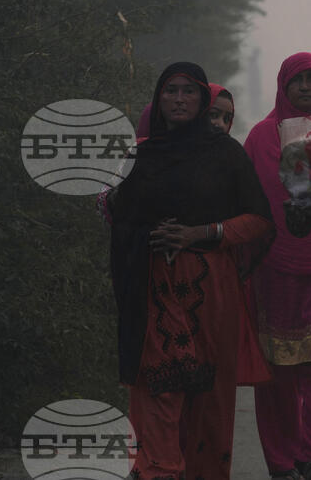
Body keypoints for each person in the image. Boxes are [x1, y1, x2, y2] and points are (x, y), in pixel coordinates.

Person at [107, 62, 275, 480]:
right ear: (158, 98)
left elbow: (258, 220)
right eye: (171, 91)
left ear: (202, 100)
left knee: (208, 403)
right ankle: (159, 470)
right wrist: (145, 230)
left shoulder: (226, 155)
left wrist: (199, 233)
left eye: (189, 92)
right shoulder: (142, 156)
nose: (179, 99)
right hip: (152, 290)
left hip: (211, 292)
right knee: (158, 388)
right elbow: (117, 214)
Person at [244, 53, 311, 480]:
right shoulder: (261, 137)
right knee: (278, 370)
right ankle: (281, 462)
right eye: (296, 80)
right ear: (283, 87)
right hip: (273, 268)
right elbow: (249, 199)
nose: (304, 87)